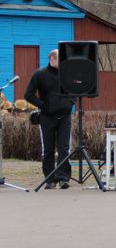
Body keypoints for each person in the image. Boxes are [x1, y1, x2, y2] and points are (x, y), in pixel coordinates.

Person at [25, 49, 74, 189]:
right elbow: (28, 94)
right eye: (60, 59)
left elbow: (75, 90)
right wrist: (44, 105)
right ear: (52, 58)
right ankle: (50, 179)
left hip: (65, 116)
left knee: (64, 148)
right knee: (48, 149)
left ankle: (64, 178)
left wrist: (70, 103)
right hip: (47, 117)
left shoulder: (67, 74)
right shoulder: (39, 74)